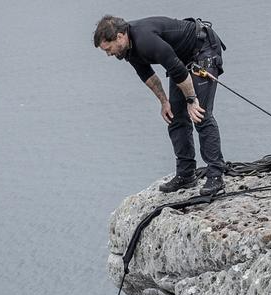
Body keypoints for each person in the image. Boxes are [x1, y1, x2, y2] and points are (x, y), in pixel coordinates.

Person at [94, 14, 227, 195]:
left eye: (108, 49)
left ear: (119, 37)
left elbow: (177, 70)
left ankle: (216, 176)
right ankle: (186, 174)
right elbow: (147, 75)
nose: (109, 54)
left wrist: (191, 100)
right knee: (175, 117)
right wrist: (164, 102)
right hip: (181, 60)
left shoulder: (145, 40)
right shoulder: (127, 48)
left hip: (203, 49)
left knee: (200, 114)